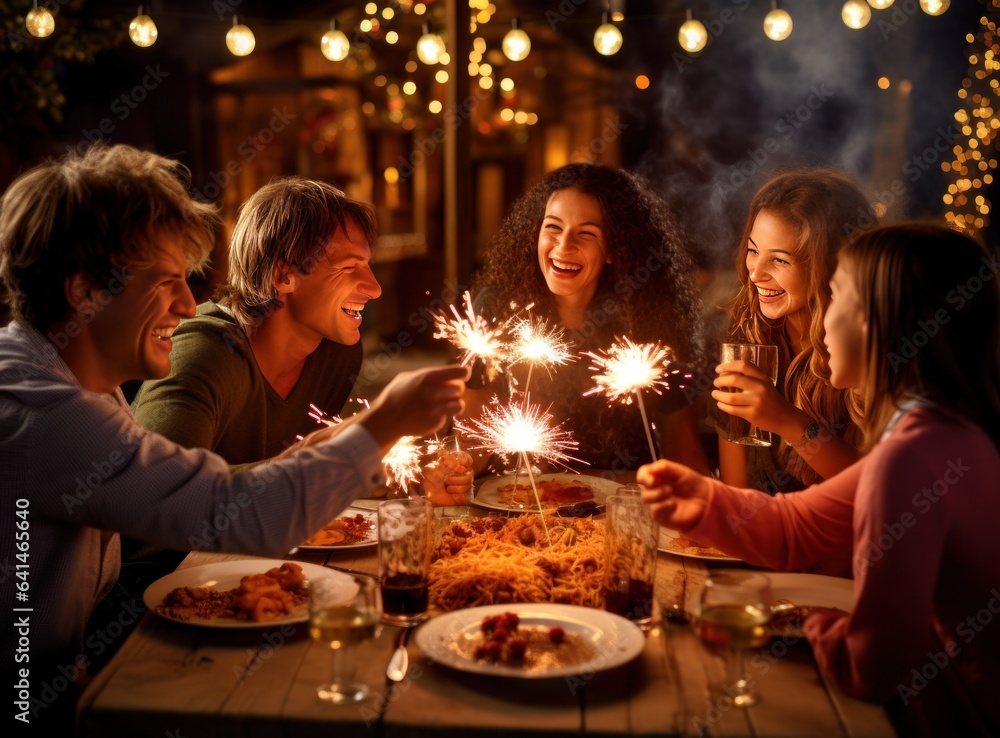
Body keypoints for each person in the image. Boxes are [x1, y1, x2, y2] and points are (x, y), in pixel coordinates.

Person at [0, 144, 467, 732]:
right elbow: (225, 512)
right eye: (165, 280)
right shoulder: (42, 410)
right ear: (83, 291)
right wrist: (382, 424)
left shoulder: (77, 387)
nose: (188, 303)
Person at [640, 223, 1000, 735]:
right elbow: (795, 528)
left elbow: (872, 668)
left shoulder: (913, 457)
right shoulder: (940, 432)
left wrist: (814, 625)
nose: (823, 319)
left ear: (881, 324)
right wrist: (701, 501)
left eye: (837, 296)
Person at [468, 162, 710, 476]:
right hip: (514, 506)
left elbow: (684, 451)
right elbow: (471, 437)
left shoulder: (652, 318)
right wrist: (453, 470)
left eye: (586, 234)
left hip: (622, 509)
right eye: (553, 227)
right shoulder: (496, 309)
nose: (563, 246)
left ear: (614, 248)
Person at [131, 176, 381, 468]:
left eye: (366, 265)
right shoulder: (204, 354)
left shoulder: (337, 353)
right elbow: (165, 492)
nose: (375, 288)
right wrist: (331, 466)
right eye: (349, 267)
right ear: (284, 275)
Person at [714, 168, 870, 492]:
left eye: (780, 260)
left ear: (831, 264)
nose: (755, 274)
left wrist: (787, 420)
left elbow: (878, 488)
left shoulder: (870, 348)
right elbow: (736, 491)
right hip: (765, 533)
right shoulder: (749, 329)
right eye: (753, 251)